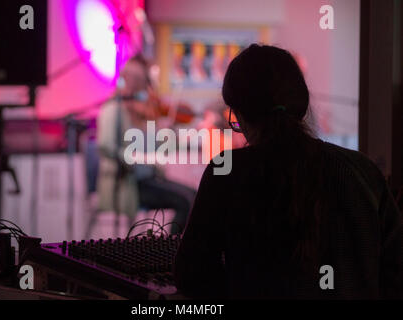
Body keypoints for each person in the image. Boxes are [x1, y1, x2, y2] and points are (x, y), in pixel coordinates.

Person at [174, 44, 403, 299]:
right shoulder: (363, 171)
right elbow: (396, 271)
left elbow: (191, 274)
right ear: (302, 108)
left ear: (240, 113)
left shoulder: (226, 173)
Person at [95, 55, 196, 236]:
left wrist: (168, 135)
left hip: (148, 179)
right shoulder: (113, 110)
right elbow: (107, 146)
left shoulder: (141, 114)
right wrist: (136, 158)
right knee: (186, 201)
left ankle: (176, 248)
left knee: (196, 195)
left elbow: (156, 148)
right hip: (128, 183)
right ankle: (172, 249)